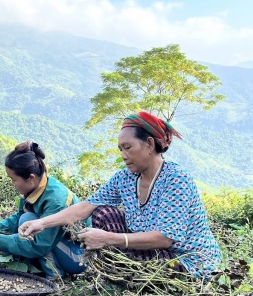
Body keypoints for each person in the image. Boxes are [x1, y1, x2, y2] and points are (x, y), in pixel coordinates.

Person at [19, 111, 221, 277]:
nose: (123, 155)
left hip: (186, 261)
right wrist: (41, 223)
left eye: (128, 147)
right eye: (120, 149)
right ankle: (126, 272)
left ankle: (128, 274)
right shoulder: (126, 177)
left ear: (149, 144)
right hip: (149, 249)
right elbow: (86, 206)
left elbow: (166, 238)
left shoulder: (176, 180)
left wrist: (109, 239)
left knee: (150, 270)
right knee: (103, 213)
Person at [0, 141, 86, 278]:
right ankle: (41, 268)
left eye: (13, 179)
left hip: (78, 257)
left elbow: (41, 245)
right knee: (25, 219)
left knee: (29, 223)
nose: (12, 184)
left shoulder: (56, 200)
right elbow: (18, 218)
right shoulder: (33, 189)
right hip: (60, 245)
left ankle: (55, 278)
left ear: (31, 178)